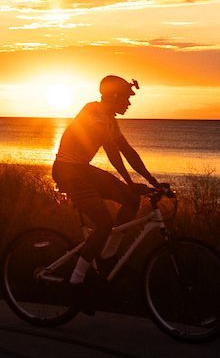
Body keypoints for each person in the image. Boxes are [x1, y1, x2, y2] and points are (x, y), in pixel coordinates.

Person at [51, 74, 161, 275]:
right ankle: (78, 279)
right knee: (104, 224)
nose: (129, 103)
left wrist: (153, 181)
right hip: (68, 171)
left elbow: (128, 152)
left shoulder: (110, 120)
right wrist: (129, 181)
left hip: (81, 170)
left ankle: (107, 257)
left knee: (130, 199)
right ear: (115, 96)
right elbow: (112, 152)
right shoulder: (93, 111)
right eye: (126, 98)